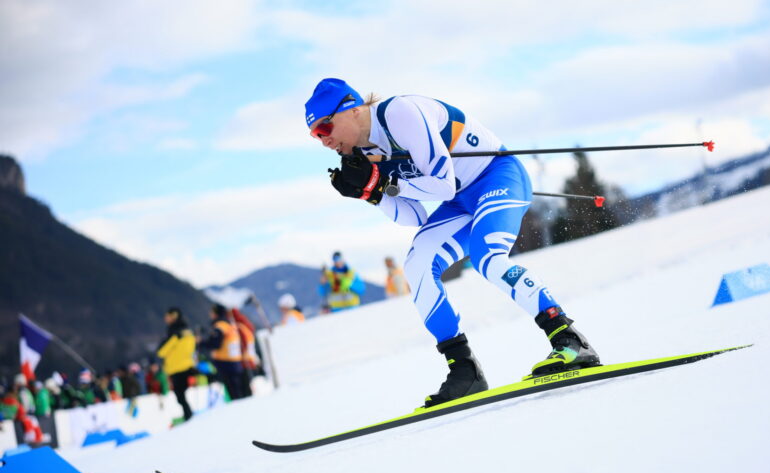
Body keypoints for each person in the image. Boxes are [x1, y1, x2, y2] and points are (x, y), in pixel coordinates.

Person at [305, 78, 600, 407]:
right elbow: (414, 216)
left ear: (354, 109)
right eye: (316, 135)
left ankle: (569, 340)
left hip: (496, 175)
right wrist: (372, 193)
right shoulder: (365, 154)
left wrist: (386, 183)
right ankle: (465, 371)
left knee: (487, 256)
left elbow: (442, 186)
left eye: (325, 126)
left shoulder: (399, 113)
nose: (324, 140)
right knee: (417, 265)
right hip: (460, 200)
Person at [198, 304, 247, 400]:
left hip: (226, 362)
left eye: (211, 312)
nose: (210, 314)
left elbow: (215, 343)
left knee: (233, 391)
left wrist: (201, 342)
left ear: (216, 313)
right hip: (236, 360)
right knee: (238, 390)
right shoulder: (230, 324)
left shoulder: (220, 326)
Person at [157, 307, 197, 421]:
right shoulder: (188, 330)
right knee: (183, 395)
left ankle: (189, 417)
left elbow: (161, 351)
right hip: (188, 365)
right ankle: (189, 416)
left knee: (180, 396)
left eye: (167, 316)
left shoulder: (174, 333)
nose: (165, 319)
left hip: (176, 368)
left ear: (173, 316)